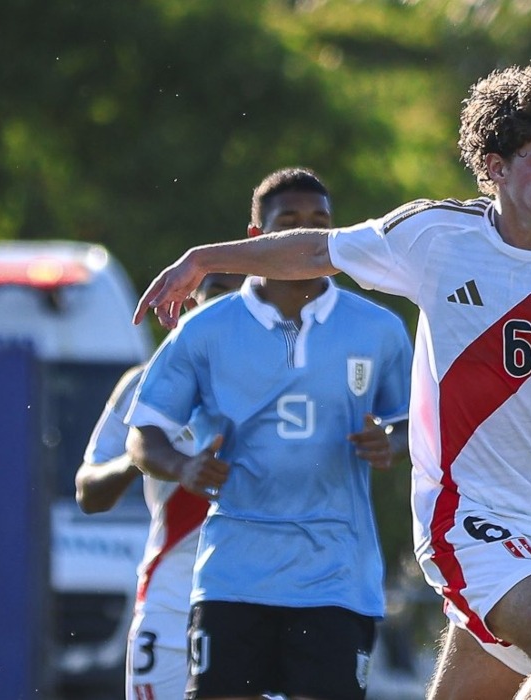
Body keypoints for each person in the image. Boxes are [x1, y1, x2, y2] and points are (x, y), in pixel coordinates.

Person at [132, 63, 531, 700]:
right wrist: (203, 259)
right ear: (495, 167)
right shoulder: (436, 236)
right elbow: (315, 251)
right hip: (462, 516)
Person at [125, 167, 414, 700]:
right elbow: (144, 435)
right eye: (289, 223)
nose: (305, 234)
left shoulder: (378, 329)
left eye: (319, 224)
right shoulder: (205, 329)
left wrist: (392, 443)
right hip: (233, 573)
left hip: (337, 575)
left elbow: (417, 425)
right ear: (255, 239)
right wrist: (184, 466)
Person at [74, 270, 245, 700]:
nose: (230, 310)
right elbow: (88, 492)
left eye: (245, 298)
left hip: (260, 600)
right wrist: (144, 456)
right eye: (218, 295)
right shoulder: (146, 382)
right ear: (192, 303)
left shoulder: (295, 383)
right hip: (170, 605)